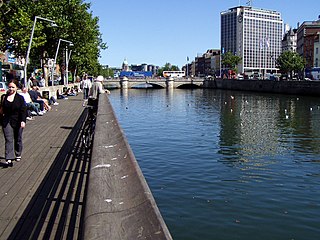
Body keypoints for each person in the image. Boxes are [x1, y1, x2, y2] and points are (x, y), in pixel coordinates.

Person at [0, 80, 27, 167]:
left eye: (13, 87)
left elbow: (23, 110)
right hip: (7, 120)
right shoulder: (4, 97)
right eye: (10, 87)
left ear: (16, 88)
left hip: (18, 120)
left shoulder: (20, 98)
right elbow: (1, 109)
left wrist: (23, 121)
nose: (11, 89)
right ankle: (9, 158)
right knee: (8, 139)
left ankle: (18, 153)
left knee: (18, 138)